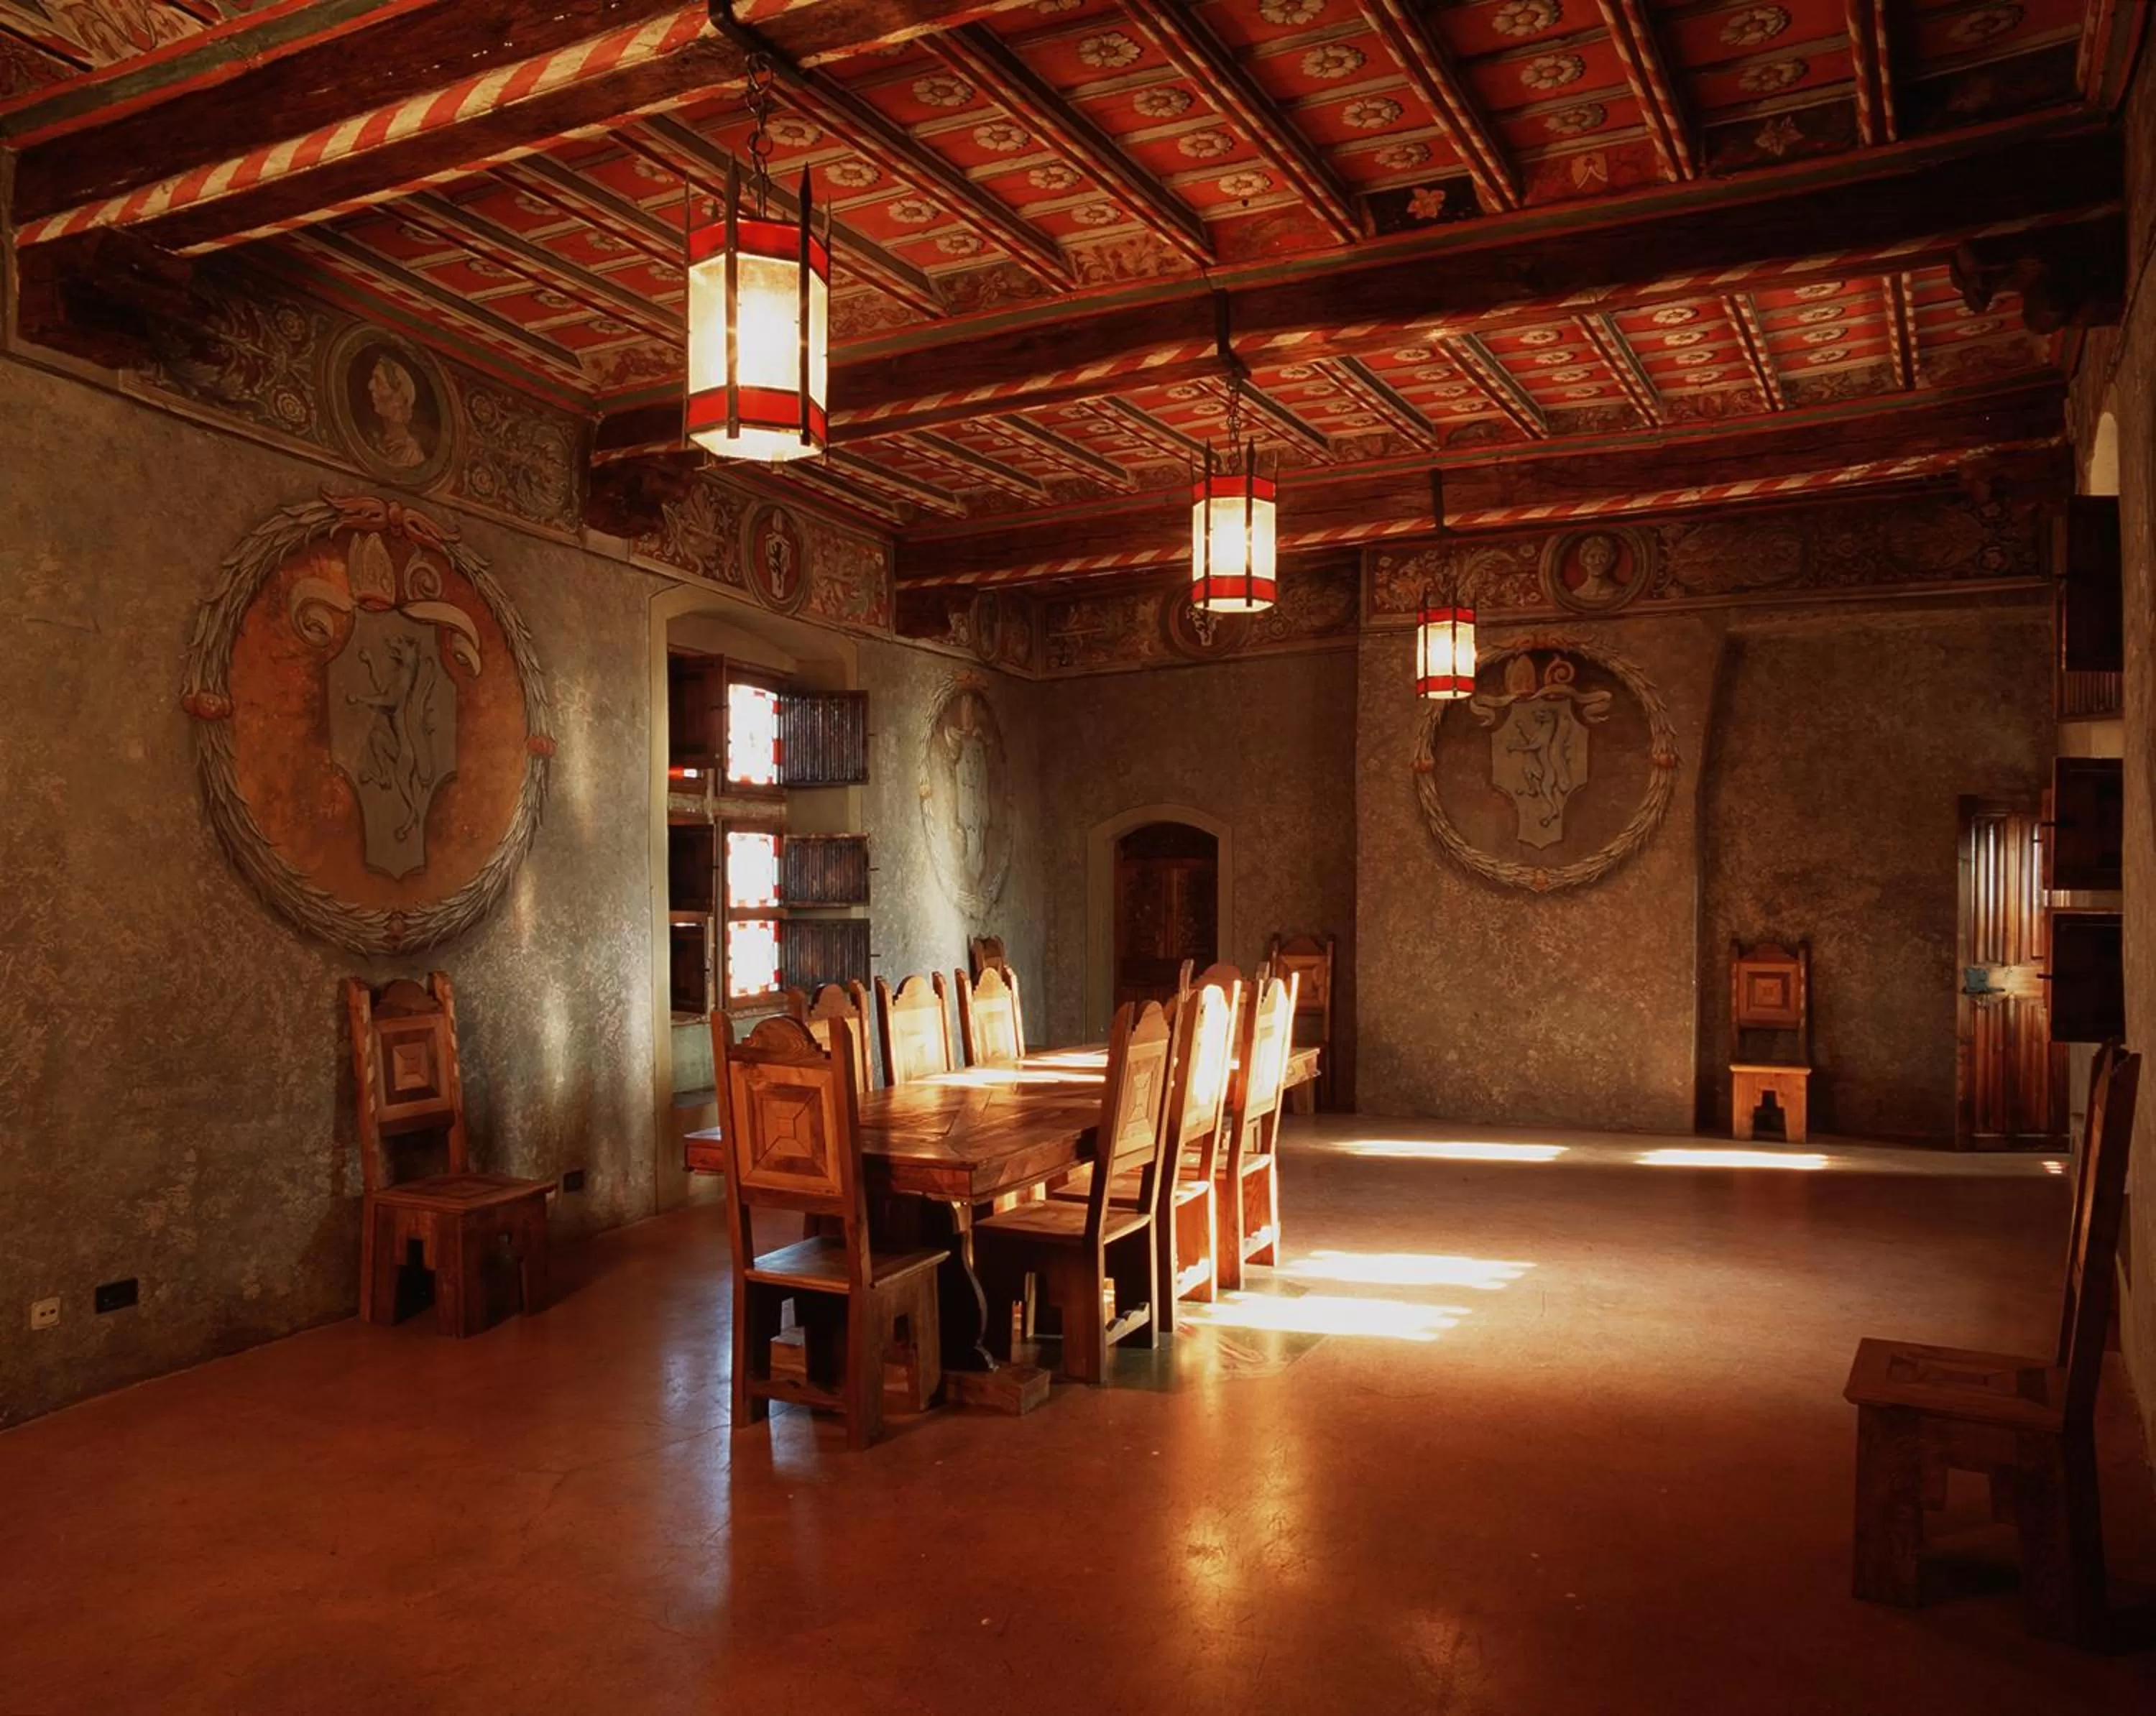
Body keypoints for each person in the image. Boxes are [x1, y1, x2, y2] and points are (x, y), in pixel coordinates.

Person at [364, 354, 428, 469]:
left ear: (398, 398)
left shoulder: (411, 454)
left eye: (379, 382)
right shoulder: (375, 437)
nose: (370, 386)